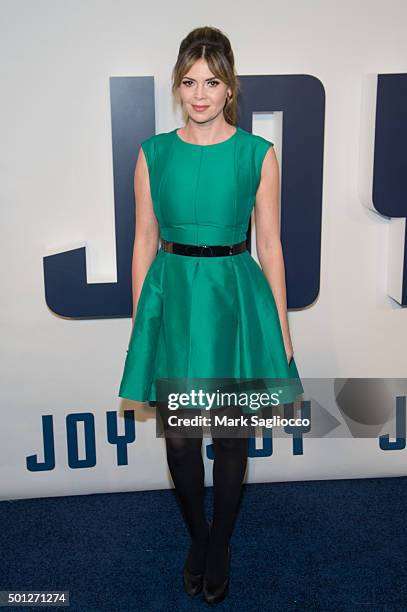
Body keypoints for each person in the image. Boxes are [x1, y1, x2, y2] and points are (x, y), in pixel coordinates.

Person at [118, 26, 303, 604]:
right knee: (179, 443)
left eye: (213, 81)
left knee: (228, 438)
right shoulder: (153, 154)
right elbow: (143, 245)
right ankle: (197, 537)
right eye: (190, 81)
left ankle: (219, 543)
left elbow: (269, 246)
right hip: (174, 300)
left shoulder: (258, 155)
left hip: (232, 301)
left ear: (230, 88)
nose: (200, 94)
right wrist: (140, 327)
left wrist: (282, 327)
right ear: (178, 85)